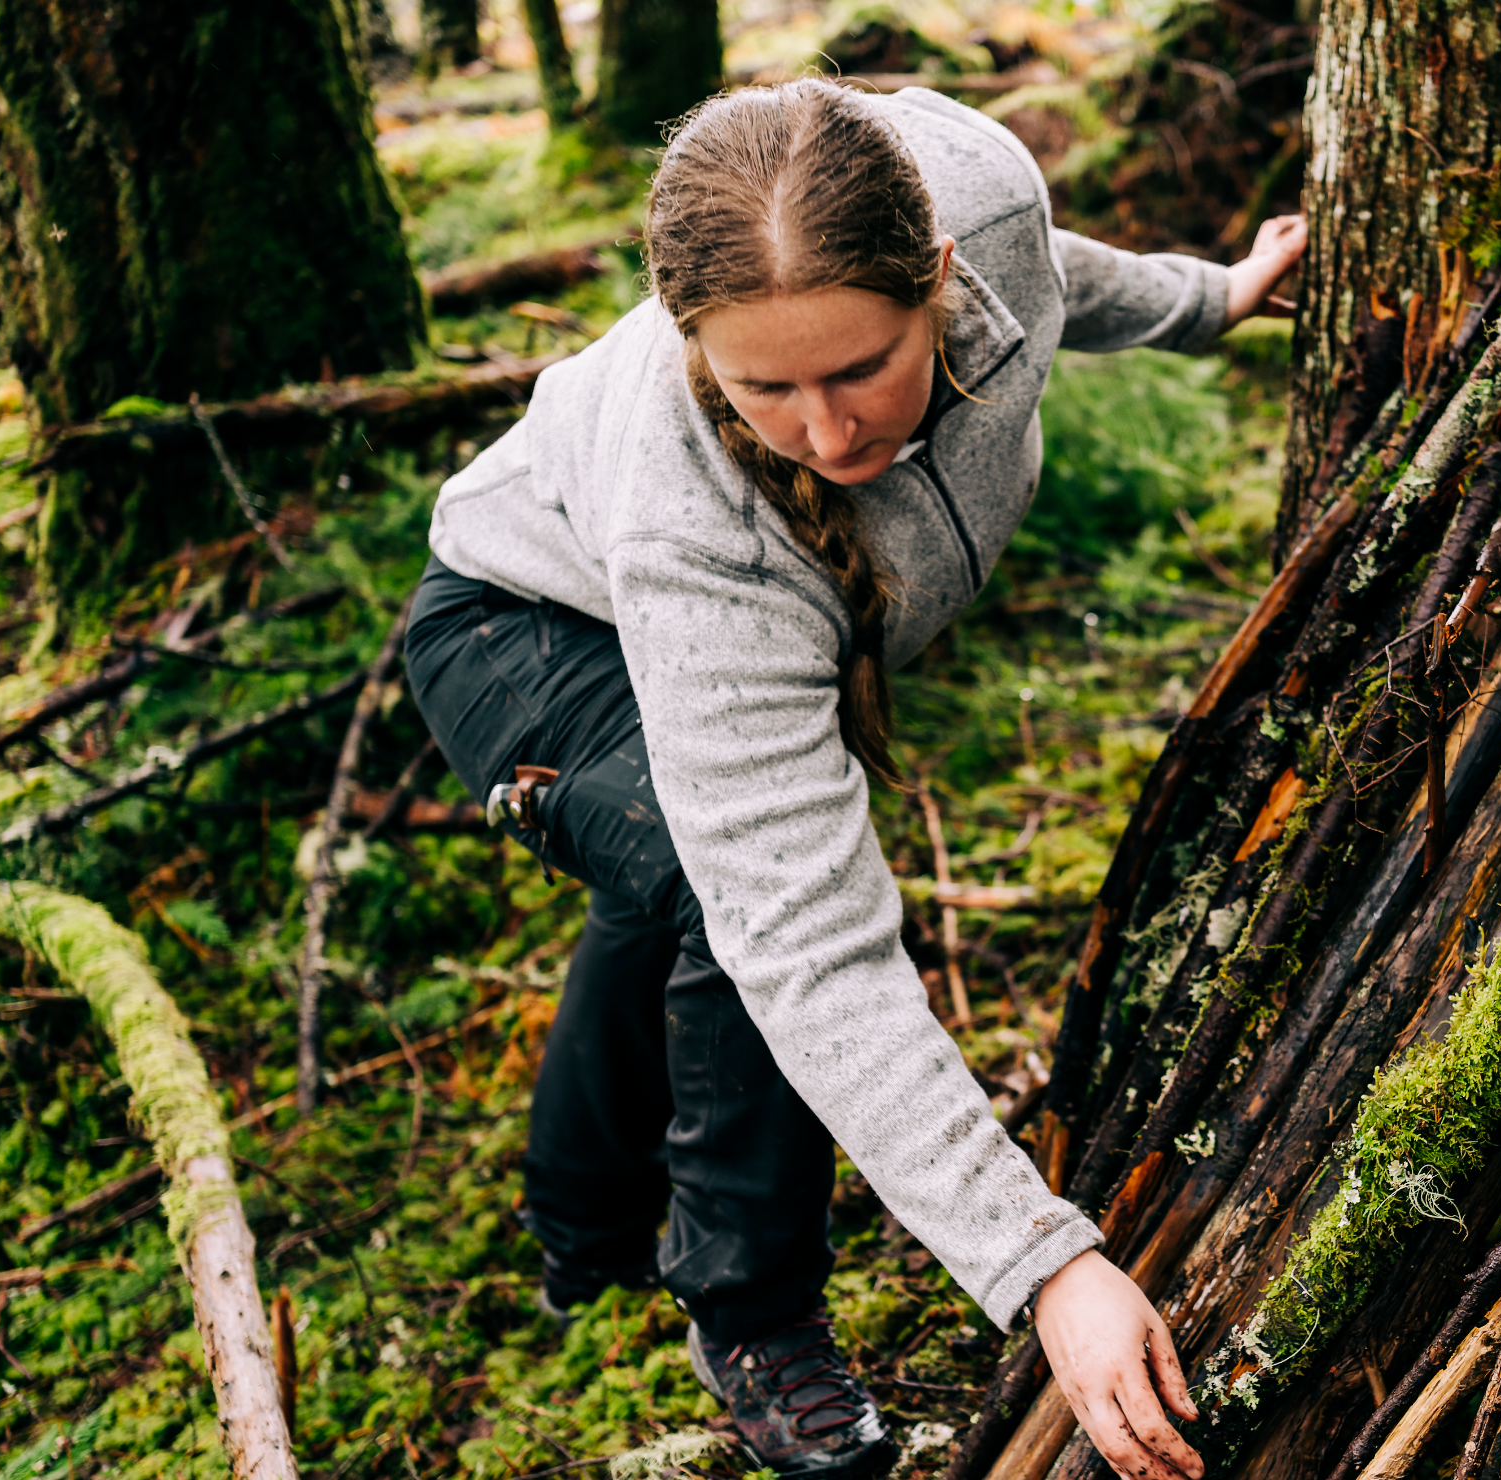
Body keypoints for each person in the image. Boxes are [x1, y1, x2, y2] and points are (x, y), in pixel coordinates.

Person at [403, 77, 1305, 1480]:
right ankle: (749, 1311)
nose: (827, 437)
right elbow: (808, 945)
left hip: (631, 602)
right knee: (721, 891)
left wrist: (1215, 298)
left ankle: (576, 1230)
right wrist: (1044, 1267)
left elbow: (1049, 268)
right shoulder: (695, 520)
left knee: (666, 893)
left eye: (859, 368)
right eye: (764, 386)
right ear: (692, 339)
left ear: (936, 280)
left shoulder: (981, 201)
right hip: (522, 627)